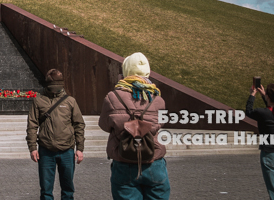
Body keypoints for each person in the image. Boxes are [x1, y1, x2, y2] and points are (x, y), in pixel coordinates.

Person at [98, 52, 169, 200]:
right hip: (153, 160)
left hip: (124, 158)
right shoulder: (158, 99)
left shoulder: (113, 97)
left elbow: (104, 125)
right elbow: (161, 123)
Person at [26, 68, 86, 200]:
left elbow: (79, 125)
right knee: (46, 191)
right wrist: (32, 148)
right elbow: (32, 125)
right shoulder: (39, 101)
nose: (54, 90)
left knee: (68, 190)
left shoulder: (70, 101)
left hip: (67, 150)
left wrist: (80, 148)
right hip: (46, 151)